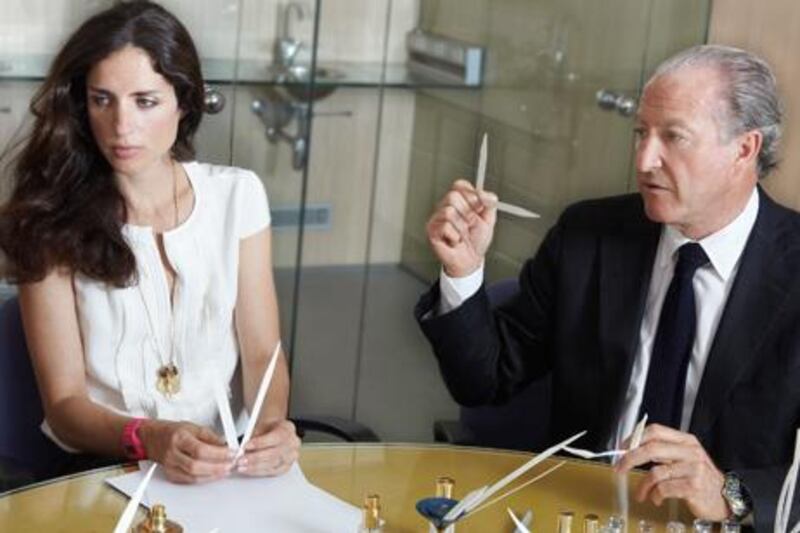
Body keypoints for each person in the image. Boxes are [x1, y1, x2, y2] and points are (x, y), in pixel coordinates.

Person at [416, 44, 800, 530]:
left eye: (673, 137)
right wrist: (463, 272)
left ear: (744, 149)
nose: (644, 159)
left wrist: (729, 492)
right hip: (584, 512)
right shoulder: (589, 236)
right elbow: (485, 379)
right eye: (641, 133)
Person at [0, 1, 300, 484]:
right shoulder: (48, 219)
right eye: (102, 99)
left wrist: (270, 432)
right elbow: (64, 407)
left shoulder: (237, 196)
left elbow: (264, 353)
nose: (121, 126)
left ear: (184, 102)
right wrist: (150, 437)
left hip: (227, 468)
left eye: (145, 101)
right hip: (102, 472)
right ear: (81, 104)